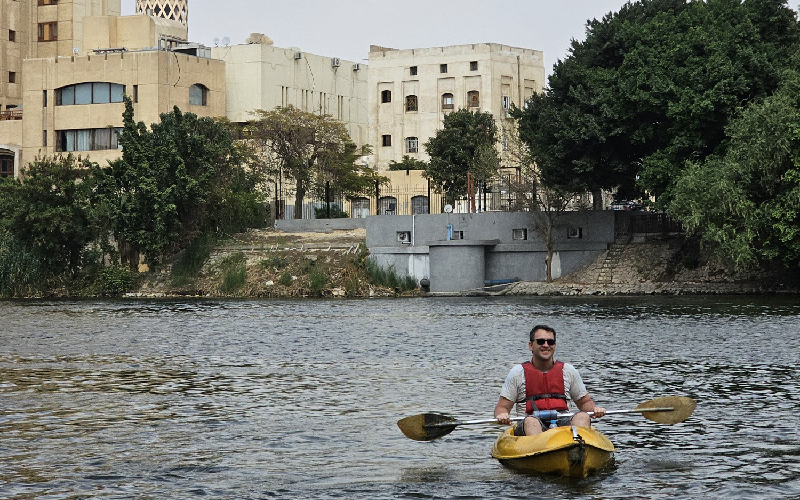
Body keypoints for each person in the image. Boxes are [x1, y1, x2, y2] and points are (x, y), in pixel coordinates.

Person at [493, 324, 606, 436]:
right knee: (531, 422)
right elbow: (502, 407)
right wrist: (502, 415)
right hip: (530, 424)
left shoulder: (568, 370)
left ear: (554, 345)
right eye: (540, 341)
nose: (546, 345)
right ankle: (539, 446)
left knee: (582, 416)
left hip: (562, 421)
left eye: (550, 342)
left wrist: (594, 409)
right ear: (531, 346)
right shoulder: (518, 373)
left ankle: (578, 445)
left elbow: (584, 402)